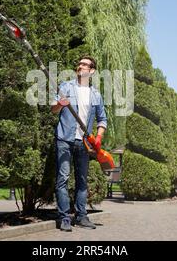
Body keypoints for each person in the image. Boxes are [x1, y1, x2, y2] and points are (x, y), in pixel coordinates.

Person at [51, 56, 107, 232]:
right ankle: (64, 217)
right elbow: (53, 109)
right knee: (63, 178)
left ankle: (81, 216)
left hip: (84, 143)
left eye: (85, 64)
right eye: (79, 64)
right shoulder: (66, 86)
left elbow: (102, 119)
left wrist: (98, 138)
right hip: (64, 140)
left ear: (92, 71)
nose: (80, 66)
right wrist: (60, 104)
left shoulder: (96, 94)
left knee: (82, 181)